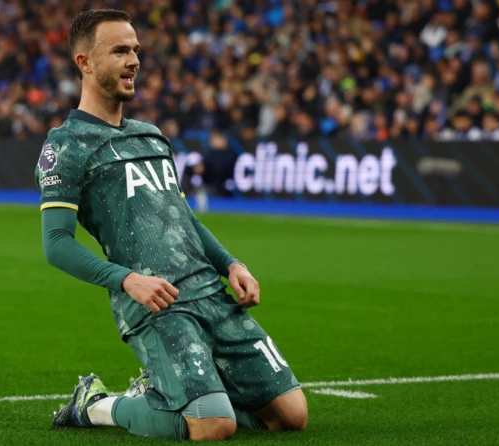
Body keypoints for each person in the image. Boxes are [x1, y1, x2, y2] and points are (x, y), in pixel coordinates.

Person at [35, 9, 307, 441]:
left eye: (136, 50)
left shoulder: (151, 135)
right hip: (156, 302)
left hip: (211, 294)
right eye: (120, 51)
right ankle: (96, 405)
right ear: (84, 63)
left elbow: (183, 219)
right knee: (214, 426)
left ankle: (167, 393)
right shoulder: (66, 145)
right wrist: (127, 281)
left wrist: (231, 263)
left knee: (292, 416)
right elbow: (55, 244)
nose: (134, 60)